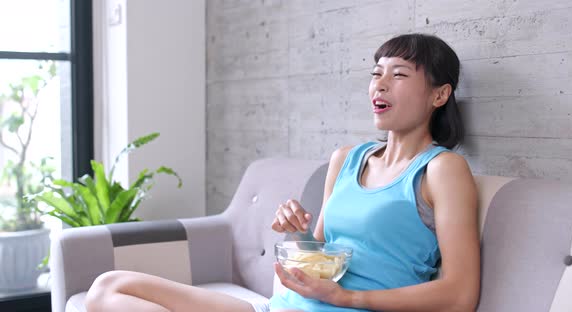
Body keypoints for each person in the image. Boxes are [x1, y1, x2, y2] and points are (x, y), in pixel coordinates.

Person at [85, 33, 480, 312]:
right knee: (108, 287)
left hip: (349, 309)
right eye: (376, 73)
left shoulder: (442, 170)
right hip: (284, 307)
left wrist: (348, 299)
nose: (380, 85)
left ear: (439, 95)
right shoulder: (347, 158)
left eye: (399, 75)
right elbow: (322, 256)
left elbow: (460, 295)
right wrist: (297, 230)